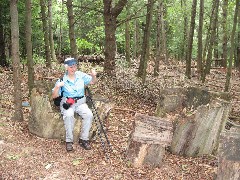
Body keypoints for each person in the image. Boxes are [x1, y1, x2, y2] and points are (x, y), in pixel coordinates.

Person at [52, 57, 97, 152]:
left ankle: (84, 139)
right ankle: (69, 141)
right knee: (68, 115)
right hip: (68, 103)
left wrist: (93, 76)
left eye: (75, 66)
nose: (73, 69)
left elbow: (92, 82)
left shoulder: (80, 75)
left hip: (80, 102)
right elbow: (54, 96)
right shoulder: (62, 80)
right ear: (66, 68)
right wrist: (57, 87)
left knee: (89, 115)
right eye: (71, 67)